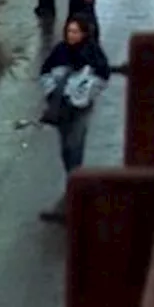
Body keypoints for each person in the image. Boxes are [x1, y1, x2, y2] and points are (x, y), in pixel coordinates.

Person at [38, 14, 110, 222]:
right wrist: (52, 92)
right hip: (61, 109)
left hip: (79, 110)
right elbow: (45, 72)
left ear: (84, 33)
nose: (71, 35)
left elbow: (101, 78)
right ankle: (73, 187)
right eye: (69, 31)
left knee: (74, 147)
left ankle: (74, 192)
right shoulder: (60, 51)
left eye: (75, 32)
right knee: (66, 149)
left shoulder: (93, 54)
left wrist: (80, 97)